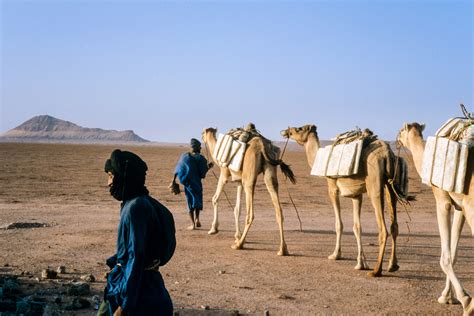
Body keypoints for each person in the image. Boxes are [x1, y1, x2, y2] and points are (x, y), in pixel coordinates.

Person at [100, 149, 176, 316]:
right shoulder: (149, 204)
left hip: (138, 292)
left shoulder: (135, 208)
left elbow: (137, 255)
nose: (108, 183)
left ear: (124, 176)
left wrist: (125, 305)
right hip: (146, 285)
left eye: (112, 176)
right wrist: (117, 263)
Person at [171, 138, 212, 230]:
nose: (201, 148)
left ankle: (193, 223)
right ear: (196, 147)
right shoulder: (200, 158)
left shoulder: (184, 156)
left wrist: (173, 181)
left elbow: (178, 169)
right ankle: (197, 219)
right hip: (197, 184)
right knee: (197, 201)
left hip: (188, 184)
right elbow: (202, 173)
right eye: (199, 147)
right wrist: (209, 167)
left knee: (190, 202)